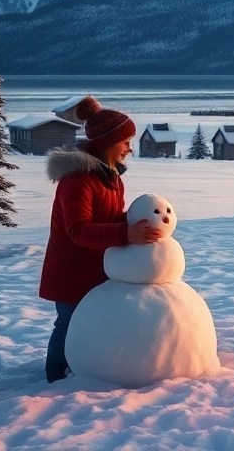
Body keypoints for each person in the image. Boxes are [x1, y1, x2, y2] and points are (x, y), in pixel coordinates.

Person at [39, 97, 161, 383]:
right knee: (68, 322)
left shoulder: (111, 178)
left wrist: (136, 221)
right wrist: (125, 233)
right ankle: (55, 374)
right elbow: (78, 230)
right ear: (108, 141)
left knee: (90, 323)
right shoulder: (78, 179)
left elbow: (108, 216)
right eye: (126, 140)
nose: (130, 147)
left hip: (96, 267)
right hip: (71, 269)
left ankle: (84, 365)